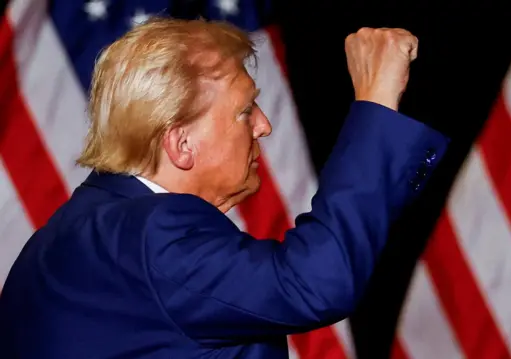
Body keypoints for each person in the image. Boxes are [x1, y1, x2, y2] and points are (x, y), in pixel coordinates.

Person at [0, 17, 448, 359]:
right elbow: (316, 282)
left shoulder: (72, 232)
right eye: (245, 111)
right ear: (181, 143)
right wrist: (375, 102)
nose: (264, 126)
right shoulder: (152, 234)